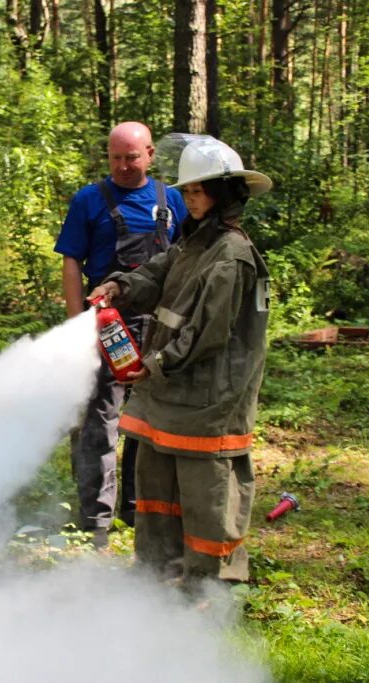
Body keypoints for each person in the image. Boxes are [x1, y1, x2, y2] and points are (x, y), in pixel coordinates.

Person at [88, 135, 272, 586]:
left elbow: (206, 335)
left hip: (208, 404)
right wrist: (119, 287)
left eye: (198, 190)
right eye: (187, 191)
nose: (189, 198)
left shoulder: (231, 257)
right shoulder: (196, 244)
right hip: (167, 393)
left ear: (225, 193)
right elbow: (157, 270)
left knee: (205, 497)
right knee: (156, 490)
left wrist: (155, 363)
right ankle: (156, 577)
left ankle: (208, 588)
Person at [54, 122, 187, 548]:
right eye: (116, 158)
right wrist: (79, 324)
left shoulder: (174, 200)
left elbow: (187, 263)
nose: (124, 166)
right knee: (98, 419)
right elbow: (72, 262)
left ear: (150, 154)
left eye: (132, 157)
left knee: (145, 422)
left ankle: (136, 508)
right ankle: (95, 519)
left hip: (160, 326)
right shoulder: (89, 199)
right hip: (107, 324)